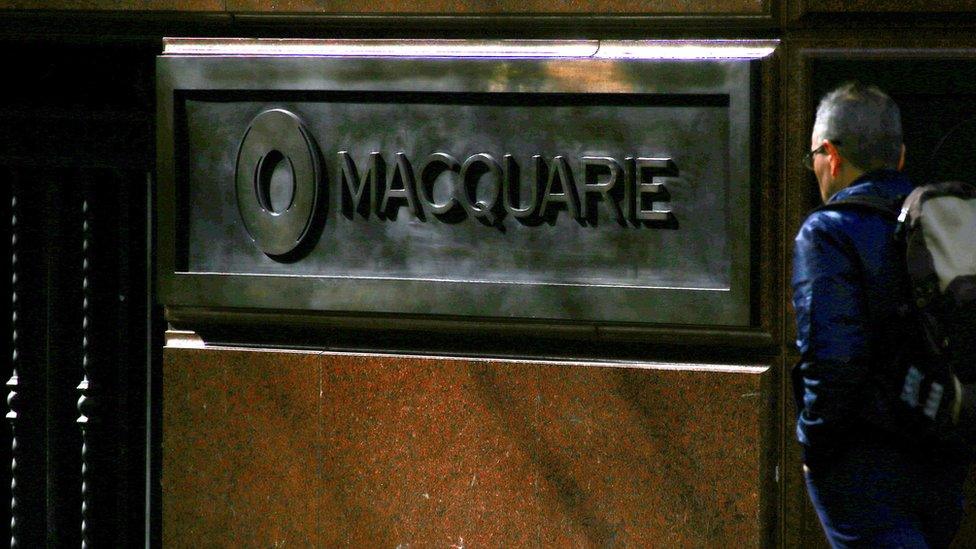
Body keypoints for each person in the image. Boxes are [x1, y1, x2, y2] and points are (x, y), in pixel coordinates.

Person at [792, 82, 970, 548]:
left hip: (864, 464)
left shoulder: (828, 232)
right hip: (941, 455)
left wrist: (814, 446)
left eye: (812, 155)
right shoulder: (937, 223)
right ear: (901, 156)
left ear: (830, 154)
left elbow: (833, 361)